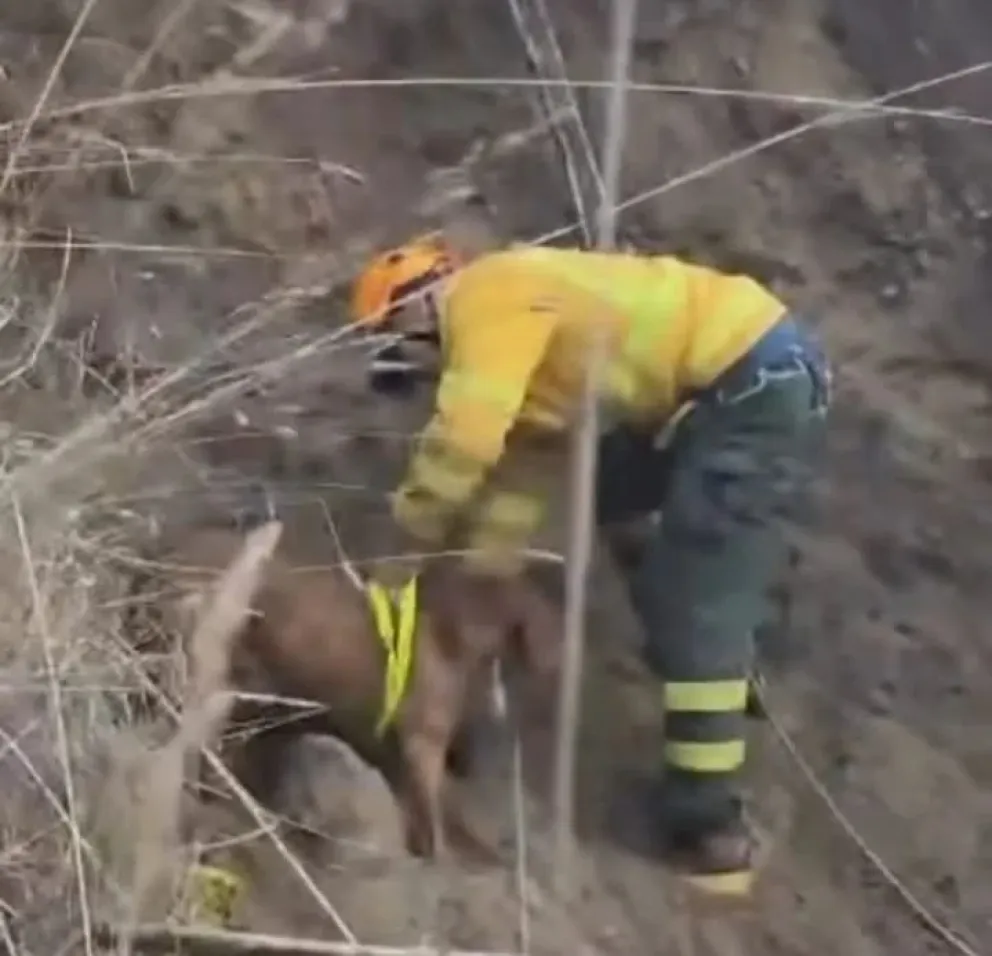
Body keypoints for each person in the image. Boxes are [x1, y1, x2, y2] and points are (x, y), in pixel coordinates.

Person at [350, 210, 830, 895]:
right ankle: (710, 635)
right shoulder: (527, 334)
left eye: (398, 340)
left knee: (694, 600)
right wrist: (485, 573)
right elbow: (529, 465)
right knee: (597, 495)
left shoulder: (487, 294)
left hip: (750, 384)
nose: (414, 365)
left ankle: (709, 830)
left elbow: (467, 437)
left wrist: (407, 536)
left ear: (425, 299)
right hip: (713, 388)